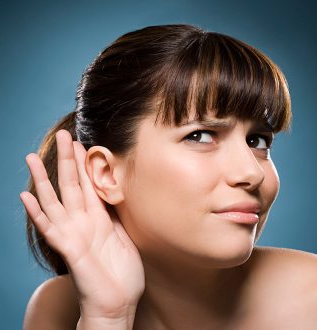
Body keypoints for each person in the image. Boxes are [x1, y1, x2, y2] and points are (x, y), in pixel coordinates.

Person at [19, 24, 317, 329]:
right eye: (200, 136)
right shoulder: (57, 309)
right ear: (106, 174)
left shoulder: (312, 300)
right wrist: (108, 317)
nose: (252, 173)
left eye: (258, 141)